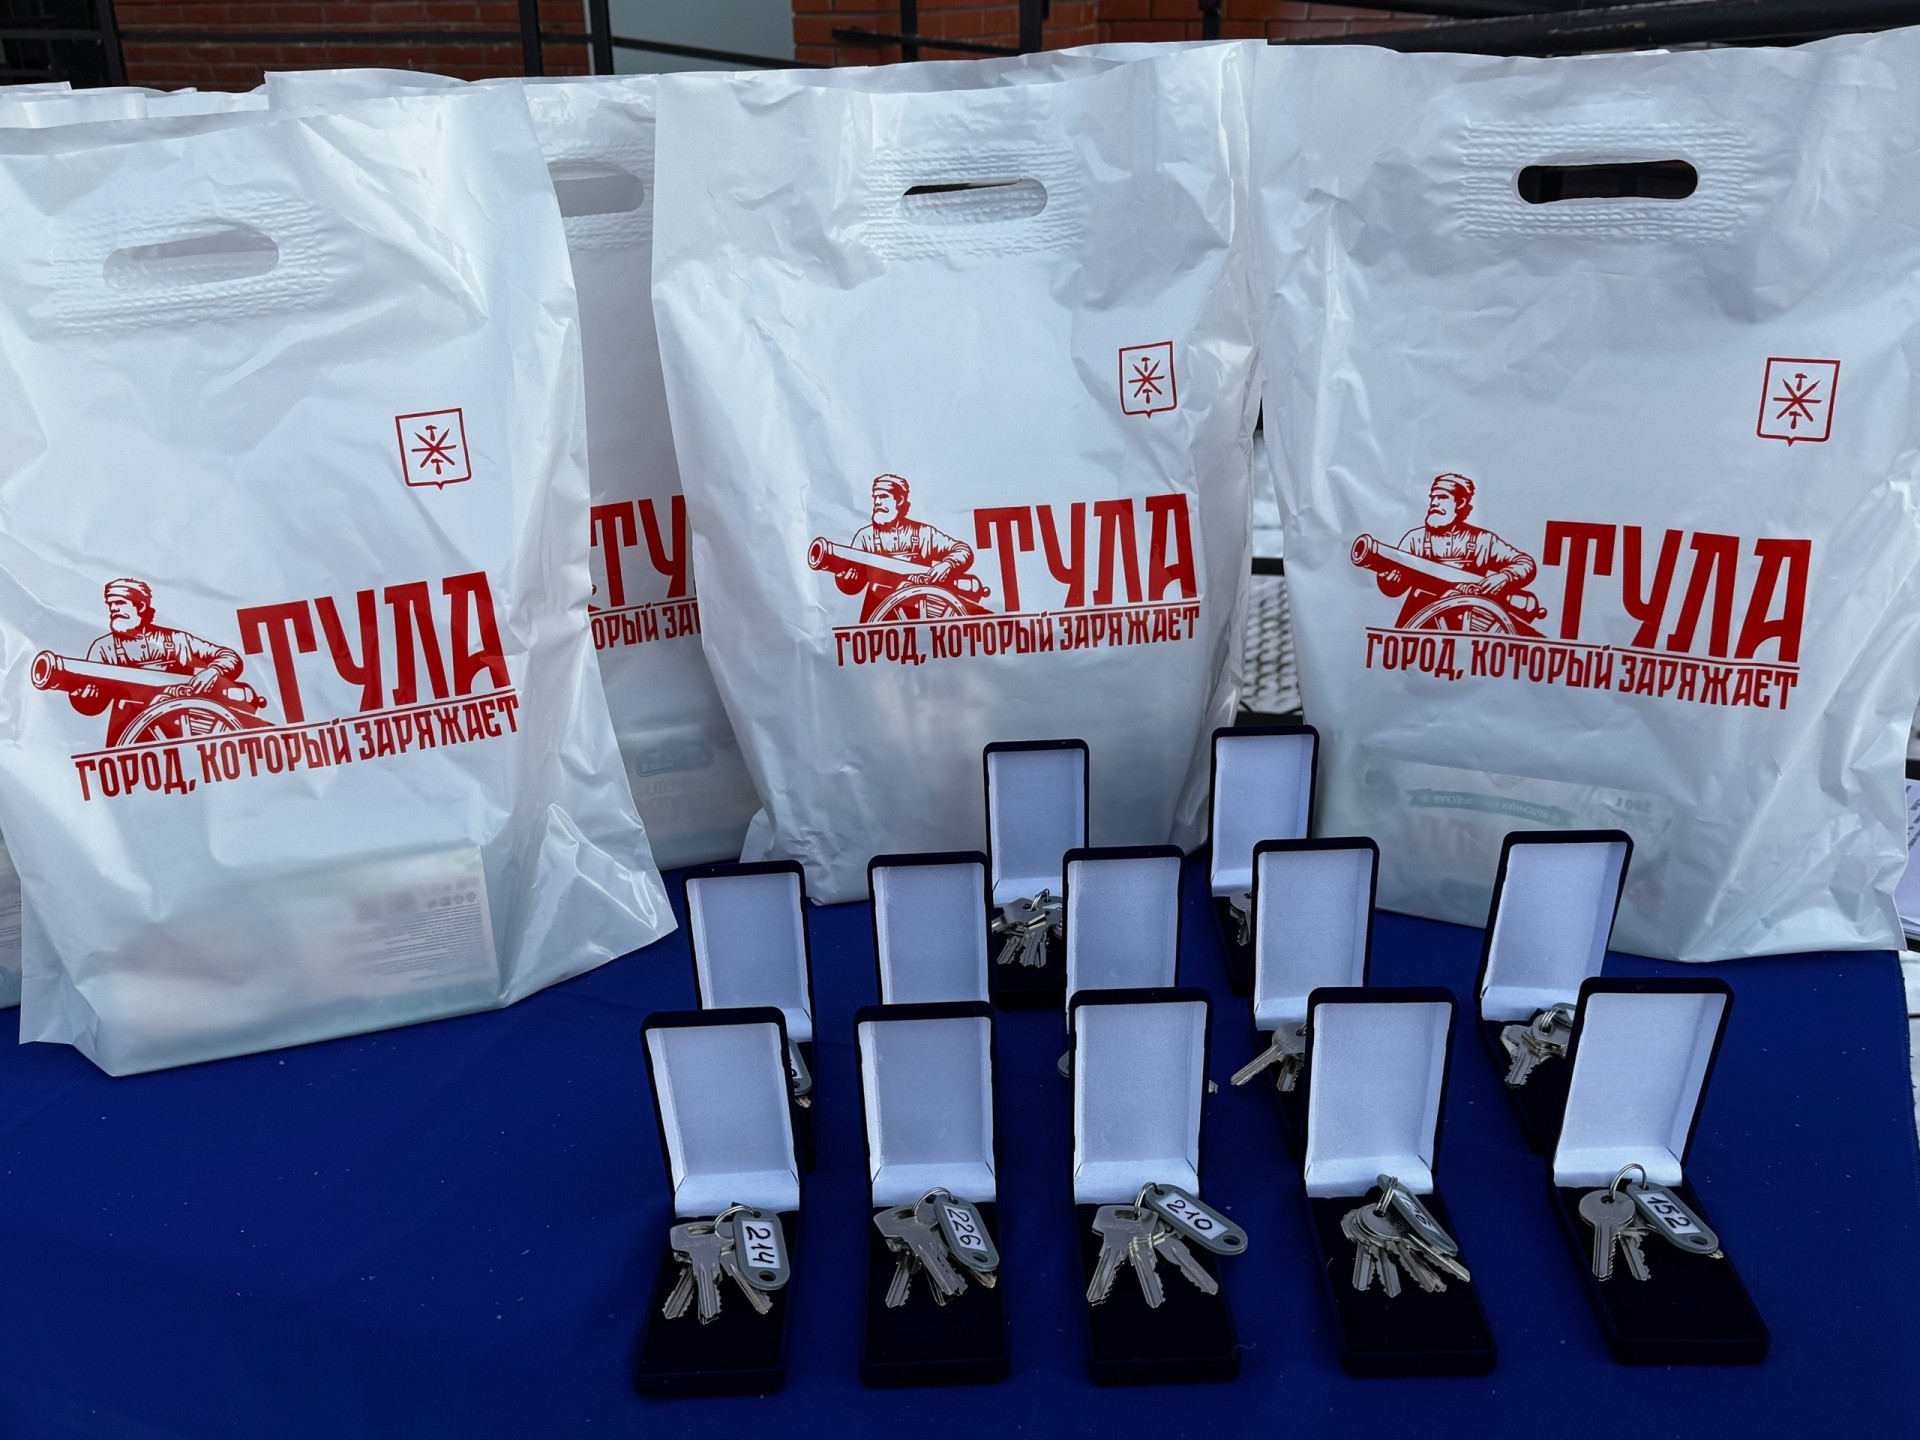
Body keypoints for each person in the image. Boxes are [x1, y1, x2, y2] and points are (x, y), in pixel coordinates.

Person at [68, 579, 246, 746]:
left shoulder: (177, 640)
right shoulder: (103, 648)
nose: (113, 609)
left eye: (120, 602)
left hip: (190, 734)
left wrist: (213, 671)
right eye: (110, 604)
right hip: (131, 739)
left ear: (141, 606)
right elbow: (93, 706)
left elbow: (230, 657)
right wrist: (85, 697)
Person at [1374, 474, 1537, 628]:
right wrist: (1390, 580)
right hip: (1420, 624)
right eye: (1433, 497)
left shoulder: (1482, 540)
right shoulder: (1415, 539)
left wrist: (1505, 576)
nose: (1434, 503)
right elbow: (1393, 589)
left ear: (1460, 502)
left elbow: (1525, 563)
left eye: (1442, 497)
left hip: (1469, 625)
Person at [836, 474, 975, 623]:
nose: (877, 502)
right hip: (876, 616)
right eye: (875, 497)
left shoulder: (923, 534)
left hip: (920, 614)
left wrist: (948, 564)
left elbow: (963, 550)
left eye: (883, 496)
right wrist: (846, 579)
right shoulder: (865, 537)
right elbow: (852, 587)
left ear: (900, 500)